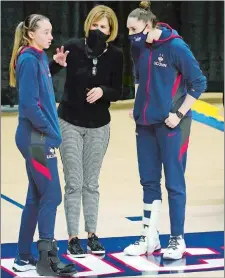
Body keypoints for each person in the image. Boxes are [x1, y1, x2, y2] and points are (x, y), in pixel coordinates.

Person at [124, 1, 207, 260]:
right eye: (127, 29)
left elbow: (198, 83)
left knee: (174, 183)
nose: (130, 34)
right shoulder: (138, 45)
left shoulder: (176, 47)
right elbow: (139, 76)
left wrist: (179, 113)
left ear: (149, 25)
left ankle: (177, 239)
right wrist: (139, 105)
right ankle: (150, 237)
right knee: (148, 181)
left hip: (173, 124)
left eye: (133, 28)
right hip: (145, 124)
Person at [49, 5, 123, 257]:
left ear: (111, 31)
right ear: (87, 25)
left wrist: (103, 91)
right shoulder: (73, 46)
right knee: (74, 182)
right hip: (69, 121)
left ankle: (92, 234)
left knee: (91, 183)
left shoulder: (116, 55)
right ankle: (72, 238)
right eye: (95, 25)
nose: (98, 30)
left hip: (99, 126)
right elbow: (48, 71)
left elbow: (119, 91)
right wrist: (56, 64)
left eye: (103, 27)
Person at [9, 14, 77, 276]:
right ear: (30, 35)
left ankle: (23, 257)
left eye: (51, 31)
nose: (51, 36)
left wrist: (55, 65)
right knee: (52, 195)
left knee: (36, 197)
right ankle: (46, 260)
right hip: (36, 138)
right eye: (46, 32)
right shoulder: (28, 59)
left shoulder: (36, 57)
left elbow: (40, 83)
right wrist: (52, 133)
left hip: (36, 136)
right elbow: (28, 105)